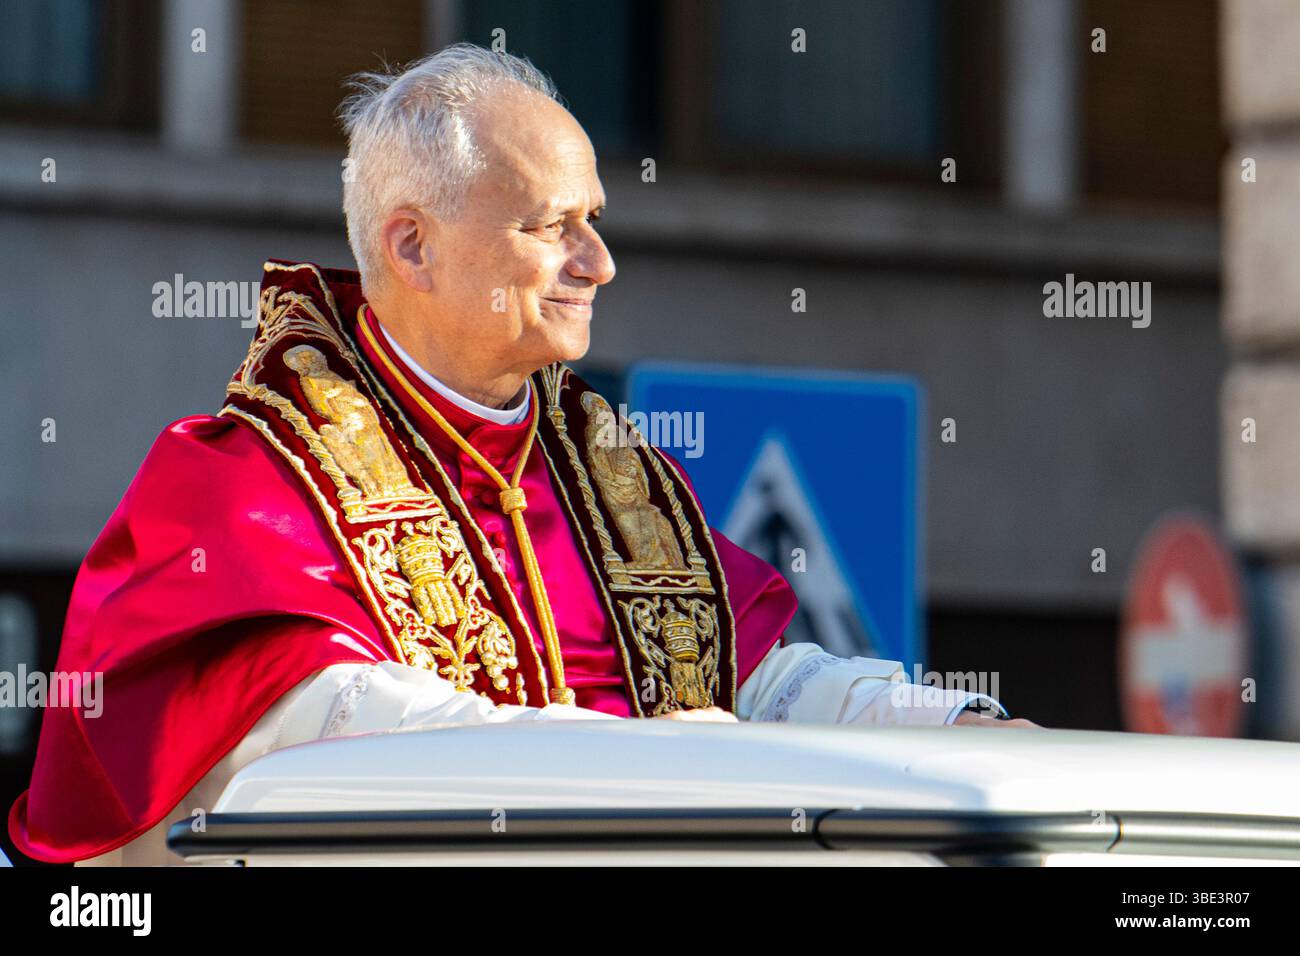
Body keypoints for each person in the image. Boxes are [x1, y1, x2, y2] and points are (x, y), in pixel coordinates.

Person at [8, 44, 1034, 867]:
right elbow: (347, 723)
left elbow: (759, 679)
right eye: (555, 227)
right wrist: (668, 757)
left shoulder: (610, 475)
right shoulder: (242, 483)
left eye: (595, 221)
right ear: (413, 247)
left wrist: (952, 725)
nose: (600, 262)